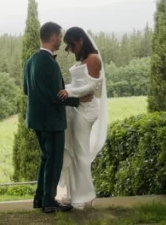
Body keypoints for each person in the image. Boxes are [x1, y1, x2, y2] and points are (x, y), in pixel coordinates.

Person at [23, 22, 92, 213]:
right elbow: (56, 96)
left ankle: (40, 199)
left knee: (45, 159)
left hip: (36, 120)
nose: (61, 40)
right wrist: (79, 100)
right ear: (53, 37)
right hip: (51, 121)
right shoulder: (49, 63)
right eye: (60, 37)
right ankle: (49, 202)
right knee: (54, 161)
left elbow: (27, 90)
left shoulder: (30, 60)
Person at [56, 27, 108, 210]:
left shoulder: (93, 58)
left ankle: (85, 196)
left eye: (72, 45)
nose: (71, 50)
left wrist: (68, 92)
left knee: (81, 153)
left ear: (80, 40)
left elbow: (91, 88)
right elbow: (78, 84)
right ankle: (73, 194)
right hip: (75, 108)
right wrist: (66, 89)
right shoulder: (81, 60)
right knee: (73, 151)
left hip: (86, 110)